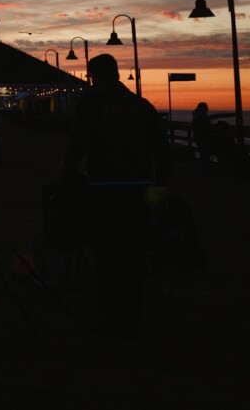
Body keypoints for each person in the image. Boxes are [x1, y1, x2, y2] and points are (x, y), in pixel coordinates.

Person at [64, 53, 170, 337]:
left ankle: (111, 316)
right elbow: (162, 149)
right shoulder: (141, 105)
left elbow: (76, 147)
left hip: (103, 190)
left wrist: (69, 175)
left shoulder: (88, 104)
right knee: (134, 254)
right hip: (138, 190)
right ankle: (132, 316)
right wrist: (159, 186)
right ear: (118, 75)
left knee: (107, 254)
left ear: (92, 76)